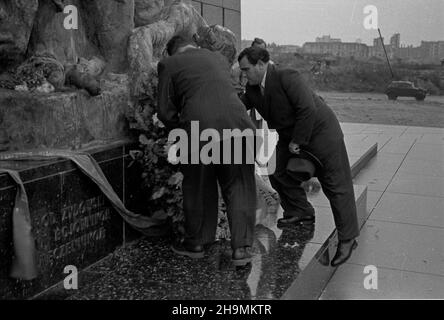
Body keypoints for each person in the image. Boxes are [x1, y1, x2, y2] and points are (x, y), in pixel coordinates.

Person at [238, 47, 360, 267]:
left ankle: (348, 239)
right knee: (277, 171)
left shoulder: (287, 76)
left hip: (320, 133)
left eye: (247, 69)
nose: (245, 74)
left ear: (261, 64)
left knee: (336, 186)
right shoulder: (253, 88)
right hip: (290, 136)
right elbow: (240, 104)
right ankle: (300, 210)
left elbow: (307, 108)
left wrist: (298, 141)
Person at [157, 34, 258, 266]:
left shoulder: (169, 64)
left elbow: (164, 111)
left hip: (199, 130)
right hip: (239, 127)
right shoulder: (219, 58)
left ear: (171, 52)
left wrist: (179, 127)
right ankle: (241, 249)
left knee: (198, 185)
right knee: (239, 185)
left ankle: (196, 244)